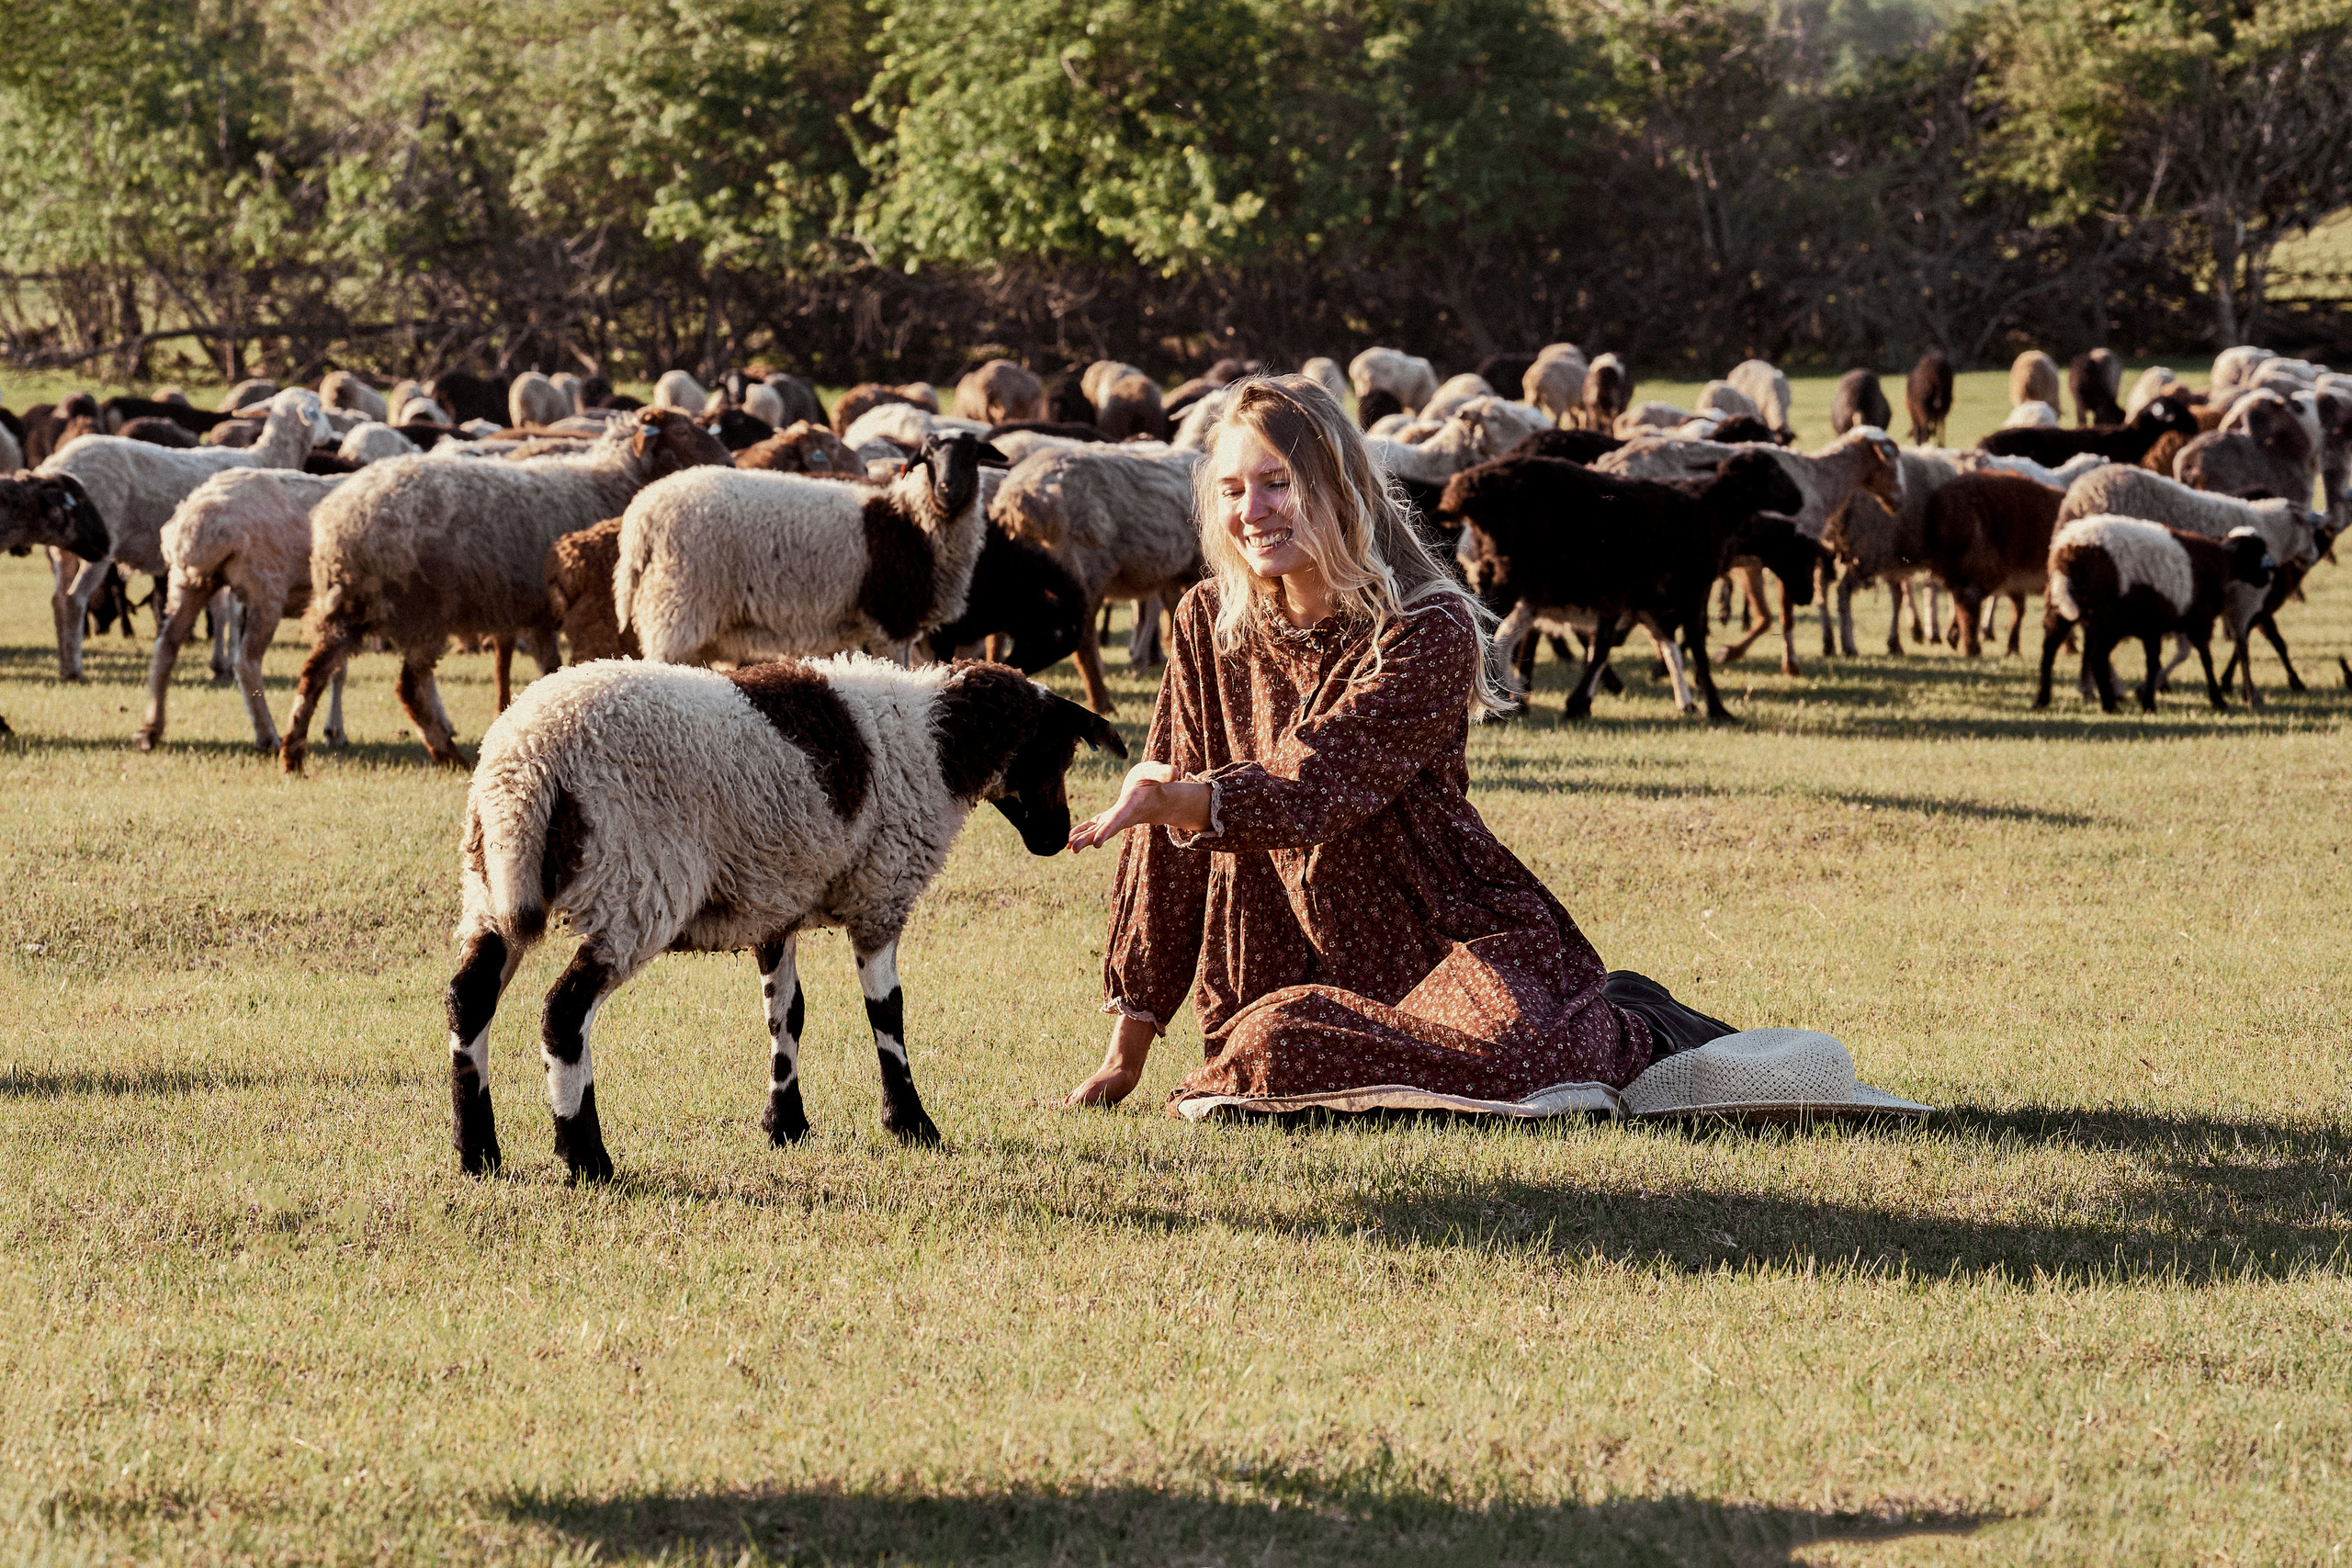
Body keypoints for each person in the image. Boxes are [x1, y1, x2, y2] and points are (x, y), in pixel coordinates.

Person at [1064, 374, 1733, 1111]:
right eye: (1230, 489)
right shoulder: (1205, 622)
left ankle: (1625, 1021)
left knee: (1526, 1057)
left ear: (1338, 486)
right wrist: (1125, 1054)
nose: (1251, 512)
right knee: (1268, 1050)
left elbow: (1317, 782)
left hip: (1439, 939)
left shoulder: (1427, 628)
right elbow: (1161, 843)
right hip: (1279, 959)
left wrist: (1182, 800)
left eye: (1277, 483)